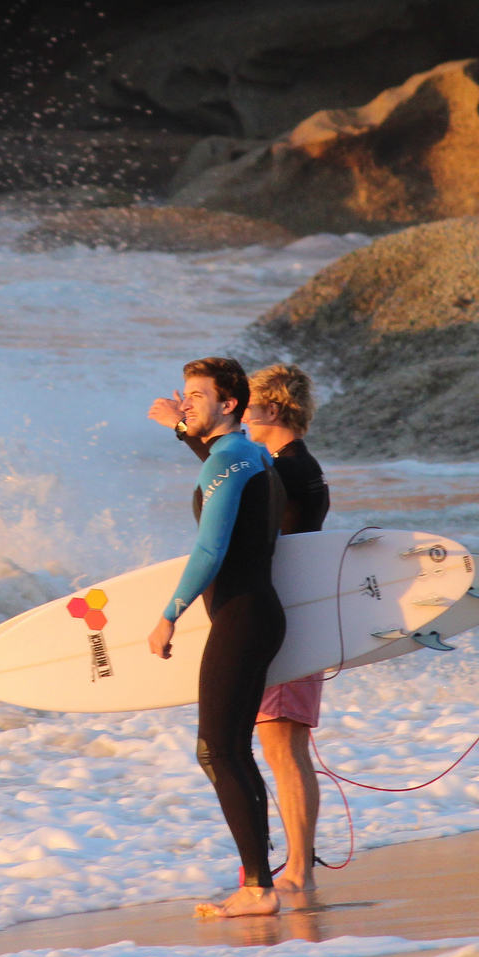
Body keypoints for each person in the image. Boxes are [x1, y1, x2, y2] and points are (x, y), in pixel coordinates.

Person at [150, 363, 329, 891]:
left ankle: (295, 868)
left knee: (278, 744)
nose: (246, 415)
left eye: (249, 405)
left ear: (269, 410)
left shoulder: (289, 466)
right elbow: (229, 465)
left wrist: (170, 614)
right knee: (260, 746)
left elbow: (227, 494)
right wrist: (186, 429)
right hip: (282, 614)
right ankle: (277, 866)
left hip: (282, 614)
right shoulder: (274, 460)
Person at [144, 357, 286, 920]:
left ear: (229, 403)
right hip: (256, 614)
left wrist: (169, 614)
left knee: (216, 749)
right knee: (231, 749)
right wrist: (181, 428)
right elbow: (213, 453)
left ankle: (258, 888)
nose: (186, 405)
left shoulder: (229, 459)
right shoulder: (249, 453)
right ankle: (259, 881)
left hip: (243, 617)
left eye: (196, 396)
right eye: (184, 396)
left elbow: (210, 549)